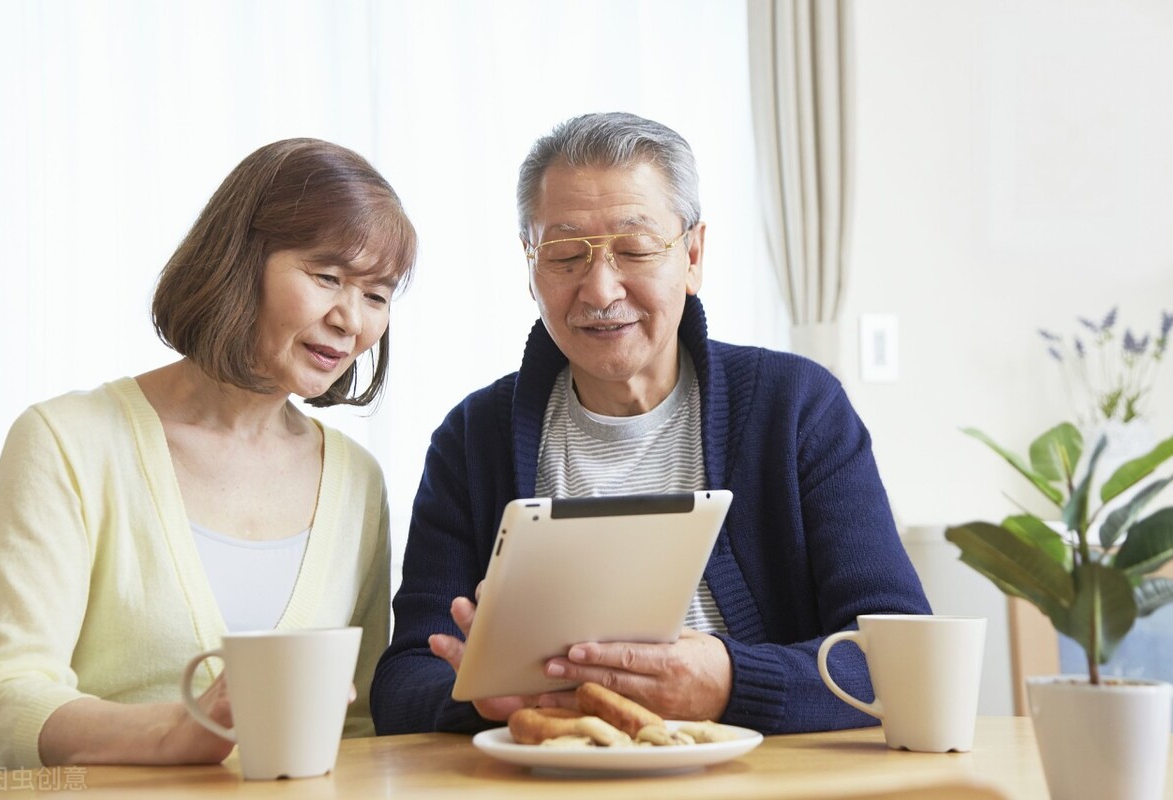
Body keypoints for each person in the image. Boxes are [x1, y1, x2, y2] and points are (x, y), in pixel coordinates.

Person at [369, 112, 930, 736]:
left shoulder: (797, 407)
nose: (600, 288)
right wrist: (477, 695)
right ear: (530, 267)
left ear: (692, 256)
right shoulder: (474, 438)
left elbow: (900, 657)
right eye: (563, 254)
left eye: (633, 249)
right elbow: (403, 683)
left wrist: (730, 682)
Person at [0, 138, 416, 768]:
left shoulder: (355, 480)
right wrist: (174, 733)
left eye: (377, 294)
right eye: (327, 277)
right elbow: (0, 701)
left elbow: (358, 727)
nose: (351, 319)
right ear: (242, 262)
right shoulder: (65, 441)